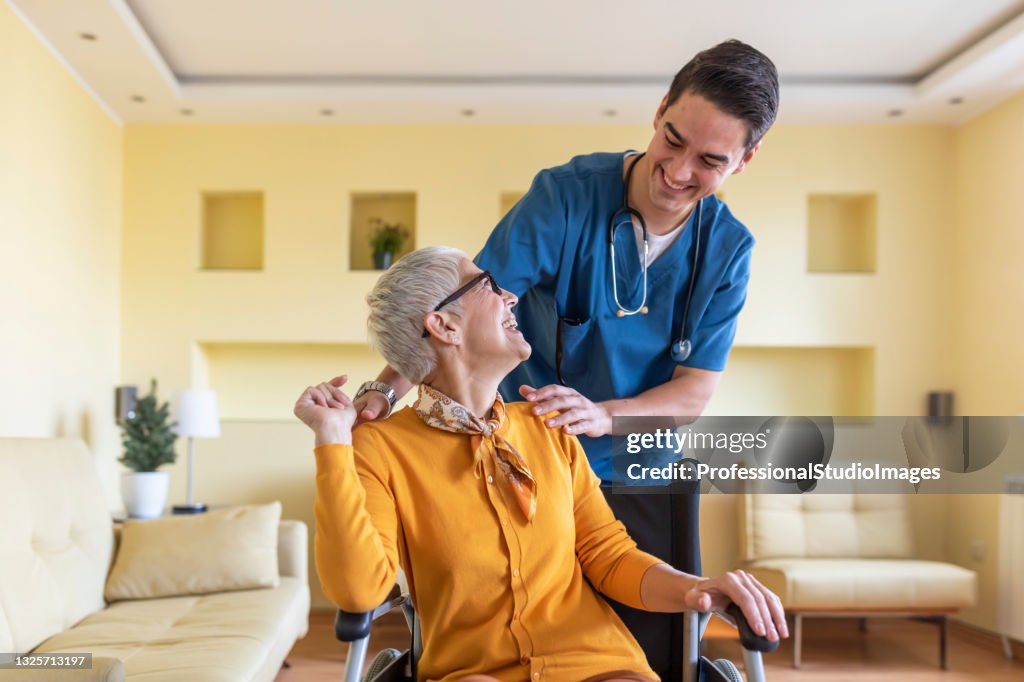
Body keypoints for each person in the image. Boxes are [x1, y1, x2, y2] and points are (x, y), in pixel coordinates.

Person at [351, 40, 780, 677]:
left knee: (648, 640)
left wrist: (604, 418)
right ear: (660, 109)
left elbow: (693, 395)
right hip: (514, 451)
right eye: (672, 138)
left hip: (630, 466)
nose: (679, 170)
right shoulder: (566, 196)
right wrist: (383, 393)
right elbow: (460, 312)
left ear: (744, 161)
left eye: (710, 160)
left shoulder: (728, 250)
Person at [296, 247, 787, 682]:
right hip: (473, 670)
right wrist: (332, 442)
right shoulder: (379, 449)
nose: (511, 296)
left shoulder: (548, 425)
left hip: (597, 663)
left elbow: (608, 556)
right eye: (487, 285)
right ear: (444, 325)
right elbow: (360, 591)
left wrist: (698, 589)